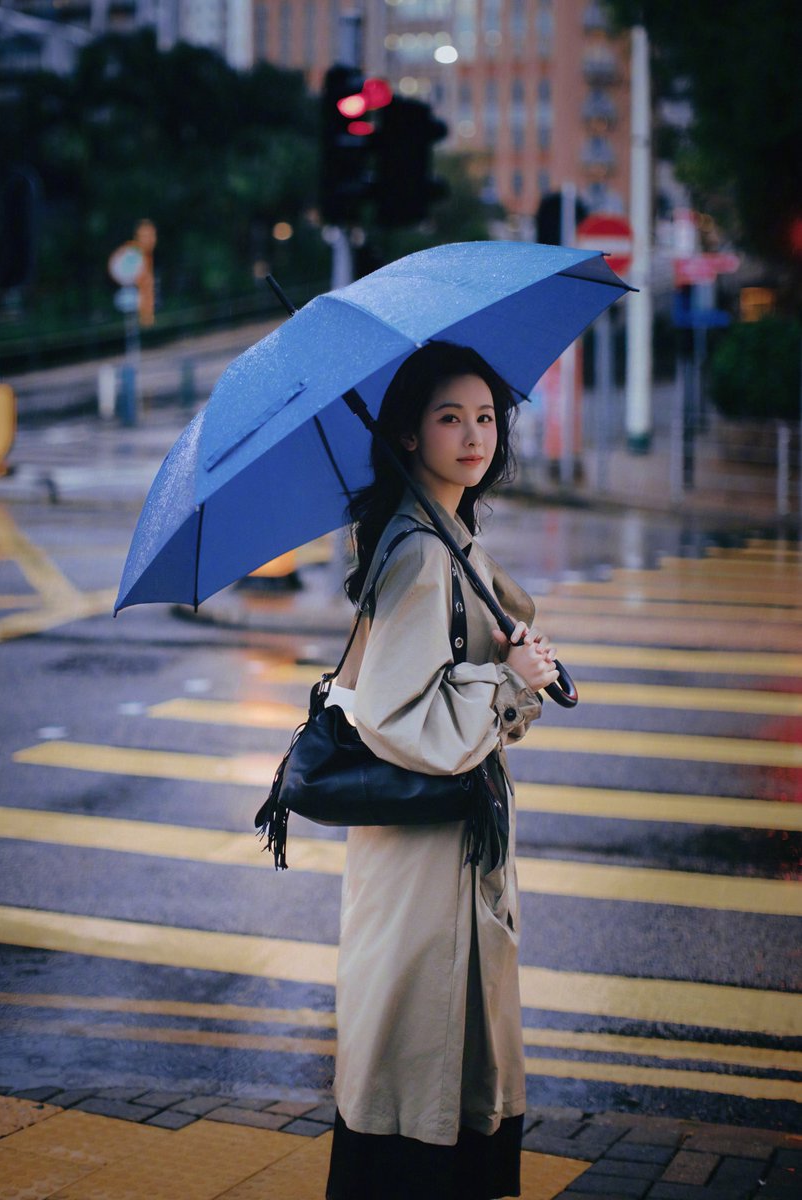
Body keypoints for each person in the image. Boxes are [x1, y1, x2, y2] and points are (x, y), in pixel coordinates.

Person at [325, 341, 559, 1200]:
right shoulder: (423, 552)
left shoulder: (448, 538)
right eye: (449, 417)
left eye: (487, 417)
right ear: (410, 434)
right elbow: (398, 719)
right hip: (426, 865)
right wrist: (505, 681)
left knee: (437, 1067)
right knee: (417, 1087)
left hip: (442, 856)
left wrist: (512, 666)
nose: (474, 436)